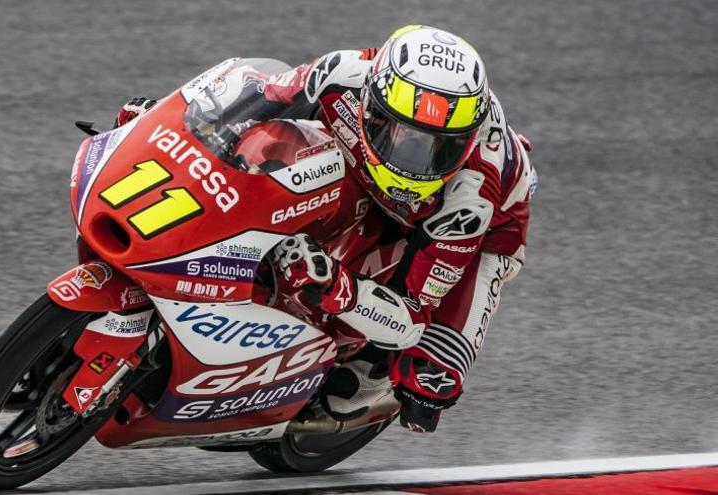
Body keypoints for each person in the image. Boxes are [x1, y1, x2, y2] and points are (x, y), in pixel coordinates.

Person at [116, 25, 536, 433]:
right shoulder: (341, 74)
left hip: (479, 233)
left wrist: (339, 289)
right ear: (371, 104)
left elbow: (410, 317)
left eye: (436, 148)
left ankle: (361, 374)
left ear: (465, 141)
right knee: (274, 143)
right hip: (362, 174)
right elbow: (252, 100)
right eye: (399, 135)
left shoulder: (473, 196)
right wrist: (165, 124)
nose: (413, 160)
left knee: (429, 381)